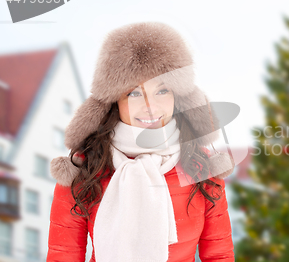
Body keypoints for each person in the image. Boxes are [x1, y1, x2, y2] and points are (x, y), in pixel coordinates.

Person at [47, 22, 235, 262]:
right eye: (134, 93)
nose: (149, 106)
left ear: (179, 96)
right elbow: (63, 256)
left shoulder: (202, 168)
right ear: (113, 101)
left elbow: (219, 256)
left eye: (162, 90)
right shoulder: (83, 170)